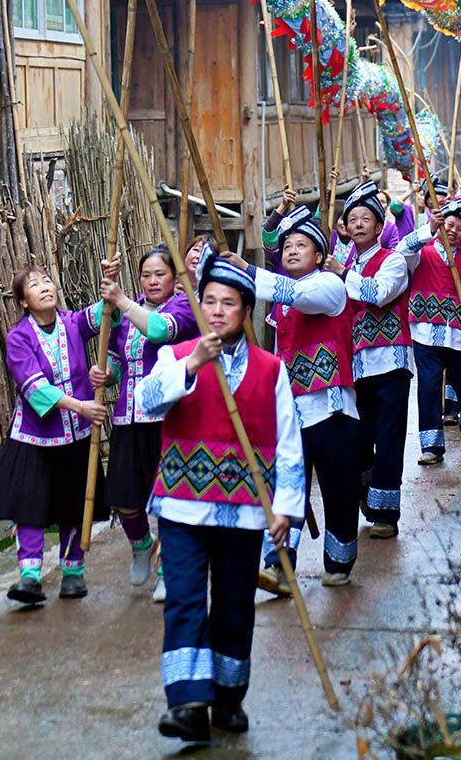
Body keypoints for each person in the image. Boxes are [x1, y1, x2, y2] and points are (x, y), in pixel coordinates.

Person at [136, 249, 304, 744]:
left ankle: (228, 699)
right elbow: (147, 403)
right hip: (182, 506)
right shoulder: (174, 356)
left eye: (227, 303)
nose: (215, 311)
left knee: (234, 606)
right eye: (208, 301)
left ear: (245, 312)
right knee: (185, 600)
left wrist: (286, 513)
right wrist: (190, 364)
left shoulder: (272, 369)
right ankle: (187, 702)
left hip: (246, 512)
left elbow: (289, 444)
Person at [227, 206, 361, 589]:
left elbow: (299, 294)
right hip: (292, 411)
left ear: (319, 256)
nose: (291, 251)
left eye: (301, 245)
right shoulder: (282, 300)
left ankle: (339, 560)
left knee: (338, 491)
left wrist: (248, 272)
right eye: (286, 246)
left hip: (331, 408)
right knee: (286, 489)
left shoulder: (329, 286)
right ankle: (279, 564)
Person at [0, 265, 108, 603]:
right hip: (34, 436)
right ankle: (30, 576)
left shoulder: (73, 323)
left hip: (75, 437)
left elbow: (108, 311)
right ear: (24, 301)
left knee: (74, 504)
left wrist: (110, 279)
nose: (44, 288)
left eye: (47, 281)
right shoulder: (18, 337)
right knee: (29, 505)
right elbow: (34, 389)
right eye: (34, 285)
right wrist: (80, 406)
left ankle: (73, 572)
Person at [94, 246, 198, 601]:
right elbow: (117, 363)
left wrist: (121, 300)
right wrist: (106, 374)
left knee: (170, 499)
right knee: (123, 496)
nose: (153, 281)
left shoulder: (185, 307)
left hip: (170, 418)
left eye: (160, 274)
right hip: (128, 416)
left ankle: (171, 571)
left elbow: (156, 332)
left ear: (174, 277)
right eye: (146, 275)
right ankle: (141, 544)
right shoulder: (122, 312)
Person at [398, 198, 461, 464]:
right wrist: (428, 228)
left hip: (460, 337)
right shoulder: (421, 253)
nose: (452, 230)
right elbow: (401, 250)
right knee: (427, 387)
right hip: (424, 333)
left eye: (459, 228)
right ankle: (431, 448)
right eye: (448, 224)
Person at [339, 181, 411, 537]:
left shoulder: (393, 260)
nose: (359, 223)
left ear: (380, 227)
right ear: (346, 229)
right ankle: (369, 491)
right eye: (353, 219)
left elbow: (379, 294)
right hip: (354, 365)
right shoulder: (342, 266)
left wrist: (341, 275)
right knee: (358, 435)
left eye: (367, 218)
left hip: (391, 363)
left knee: (389, 434)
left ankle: (386, 516)